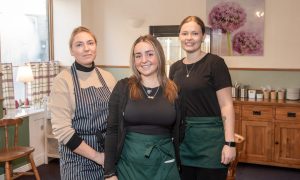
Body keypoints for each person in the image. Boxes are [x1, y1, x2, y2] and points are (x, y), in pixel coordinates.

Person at [104, 34, 181, 180]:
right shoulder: (123, 87)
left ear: (159, 56)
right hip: (129, 166)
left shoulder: (174, 90)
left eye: (150, 54)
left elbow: (180, 131)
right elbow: (112, 131)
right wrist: (109, 173)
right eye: (138, 56)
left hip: (165, 165)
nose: (144, 60)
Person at [169, 16, 236, 180]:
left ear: (203, 36)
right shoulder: (175, 68)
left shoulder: (215, 63)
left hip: (211, 142)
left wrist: (229, 143)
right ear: (179, 36)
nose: (189, 38)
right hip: (183, 141)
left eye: (194, 33)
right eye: (185, 33)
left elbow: (226, 105)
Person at [49, 26, 116, 180]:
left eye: (90, 43)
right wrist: (97, 157)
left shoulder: (108, 78)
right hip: (77, 159)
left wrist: (109, 154)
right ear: (71, 51)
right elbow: (63, 131)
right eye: (79, 45)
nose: (86, 49)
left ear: (96, 46)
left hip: (107, 154)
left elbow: (116, 119)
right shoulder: (62, 80)